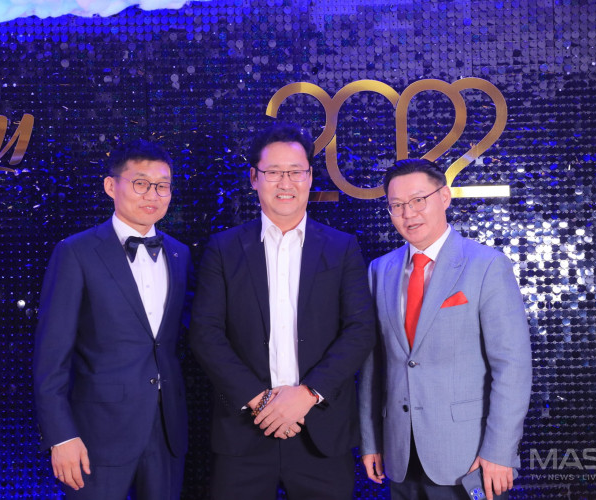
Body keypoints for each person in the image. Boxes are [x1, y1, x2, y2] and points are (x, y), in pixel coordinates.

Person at [190, 122, 376, 499]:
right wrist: (263, 403)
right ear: (254, 178)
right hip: (243, 432)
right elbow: (205, 334)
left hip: (321, 432)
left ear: (310, 177)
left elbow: (360, 330)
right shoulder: (224, 249)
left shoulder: (342, 248)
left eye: (295, 171)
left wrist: (307, 394)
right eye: (273, 172)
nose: (285, 182)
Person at [358, 159, 532, 500]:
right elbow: (372, 366)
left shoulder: (486, 265)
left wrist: (499, 451)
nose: (408, 214)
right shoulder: (379, 270)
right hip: (399, 453)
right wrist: (371, 440)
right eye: (397, 205)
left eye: (418, 200)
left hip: (467, 455)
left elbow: (512, 366)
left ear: (444, 197)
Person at [33, 140, 190, 499]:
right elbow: (51, 357)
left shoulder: (179, 253)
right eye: (140, 183)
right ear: (110, 186)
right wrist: (61, 435)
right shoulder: (76, 252)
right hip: (96, 435)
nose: (152, 195)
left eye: (162, 185)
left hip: (167, 431)